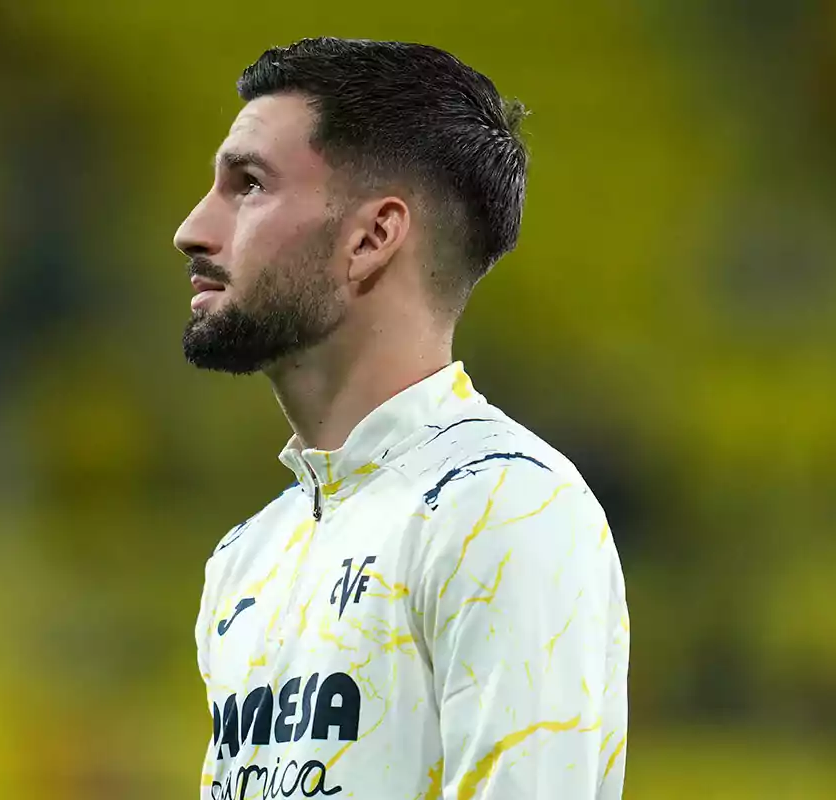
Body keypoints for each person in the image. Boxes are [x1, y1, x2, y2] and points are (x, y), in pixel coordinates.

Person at [175, 37, 629, 800]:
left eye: (247, 184)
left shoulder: (504, 508)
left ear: (372, 237)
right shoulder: (246, 558)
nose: (193, 228)